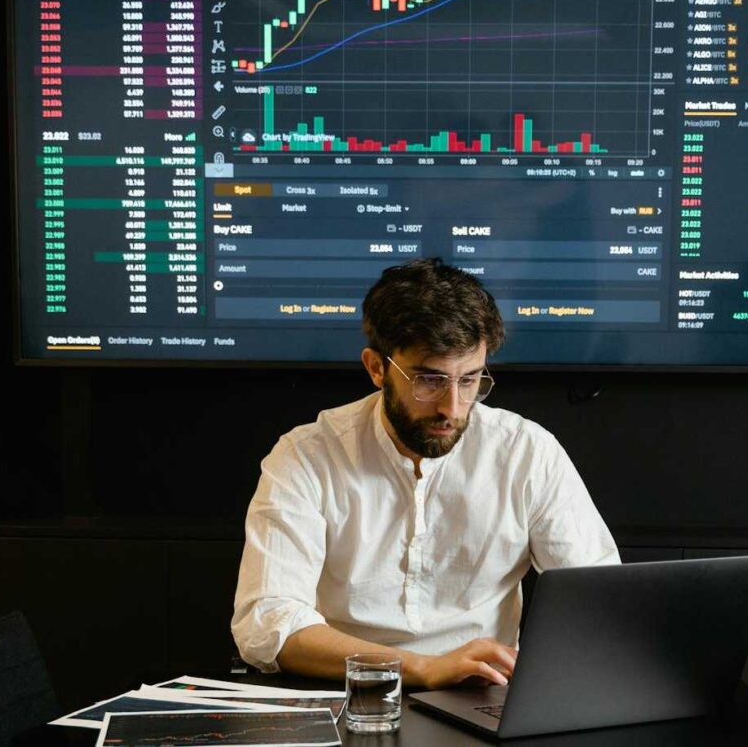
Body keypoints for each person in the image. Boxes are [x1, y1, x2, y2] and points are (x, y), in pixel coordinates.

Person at [232, 258, 619, 689]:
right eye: (429, 381)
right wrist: (420, 667)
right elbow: (267, 624)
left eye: (470, 380)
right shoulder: (306, 456)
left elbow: (599, 600)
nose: (452, 408)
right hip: (344, 693)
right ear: (377, 368)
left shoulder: (527, 452)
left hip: (485, 696)